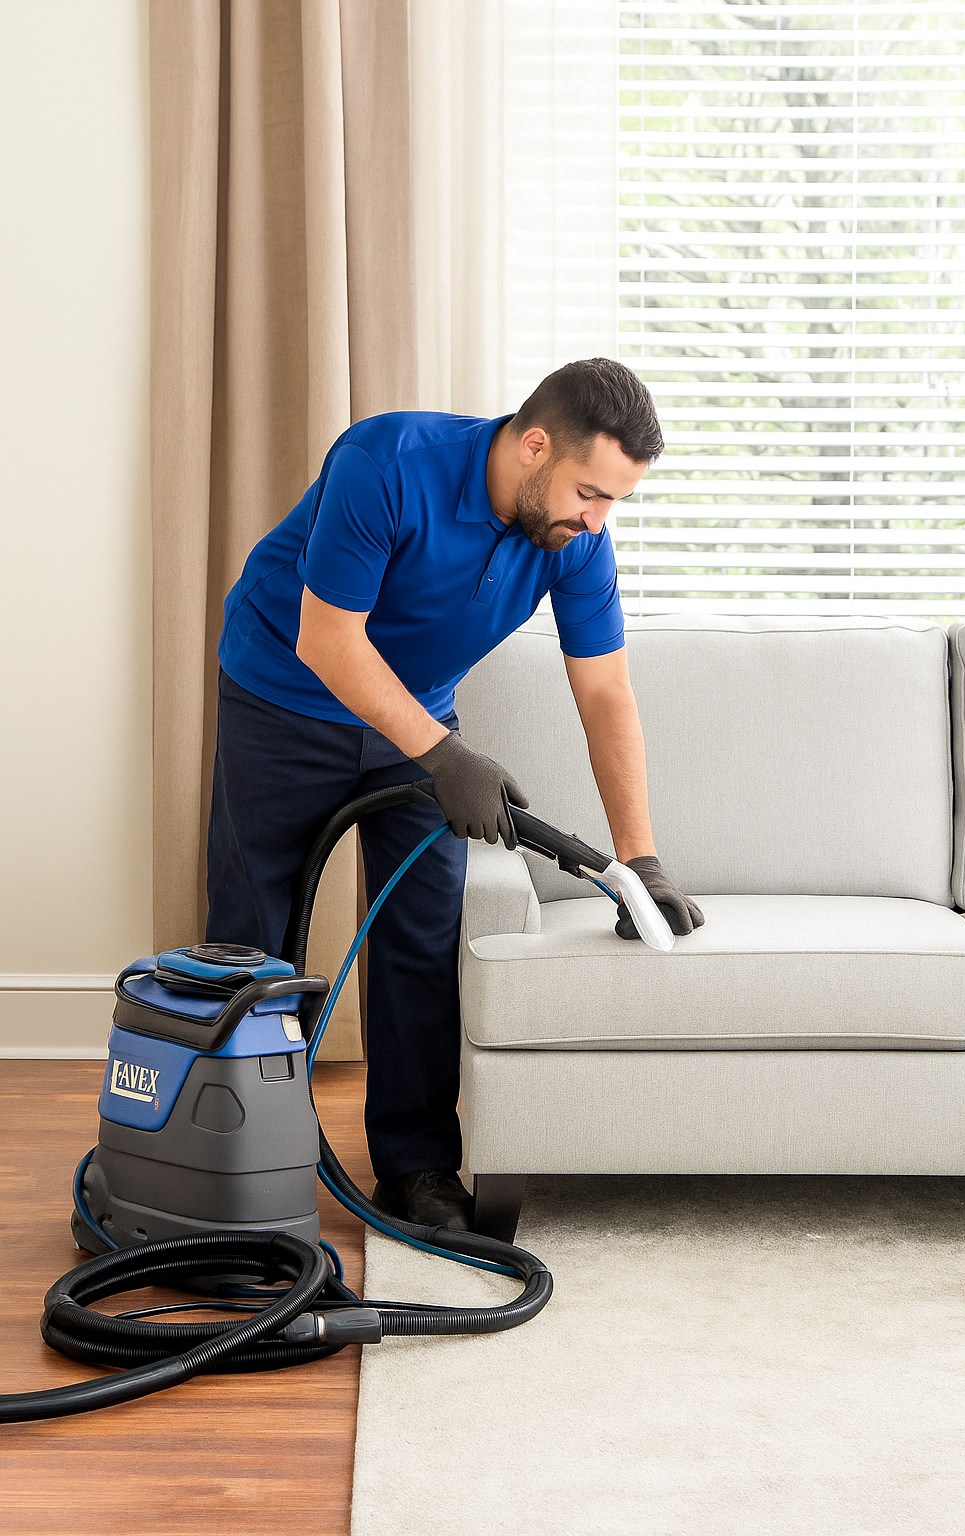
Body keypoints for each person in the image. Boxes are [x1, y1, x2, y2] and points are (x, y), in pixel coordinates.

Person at [207, 357, 704, 1230]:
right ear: (535, 446)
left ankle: (416, 1169)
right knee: (255, 929)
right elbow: (328, 642)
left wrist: (641, 859)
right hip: (282, 700)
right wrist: (446, 757)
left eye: (615, 503)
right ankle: (236, 1165)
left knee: (422, 936)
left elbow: (605, 693)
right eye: (591, 492)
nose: (597, 520)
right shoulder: (387, 463)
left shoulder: (576, 542)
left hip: (418, 725)